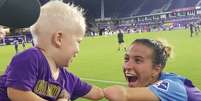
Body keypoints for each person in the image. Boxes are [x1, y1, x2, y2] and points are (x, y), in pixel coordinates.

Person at [0, 1, 104, 101]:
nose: (78, 50)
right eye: (78, 42)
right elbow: (17, 93)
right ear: (59, 39)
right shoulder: (31, 58)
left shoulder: (67, 78)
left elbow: (95, 93)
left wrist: (106, 92)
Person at [104, 38, 201, 101]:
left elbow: (122, 94)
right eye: (126, 59)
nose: (127, 66)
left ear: (156, 69)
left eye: (138, 60)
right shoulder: (152, 87)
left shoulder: (170, 87)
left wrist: (92, 90)